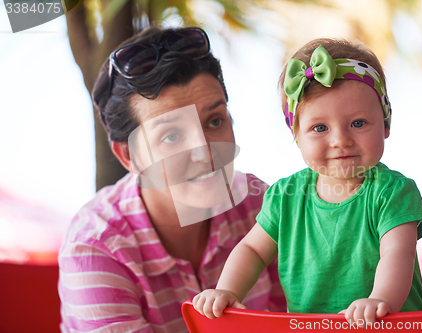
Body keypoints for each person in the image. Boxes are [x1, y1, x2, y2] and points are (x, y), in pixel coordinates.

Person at [58, 26, 286, 333]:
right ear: (130, 158)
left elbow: (302, 315)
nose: (205, 154)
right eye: (172, 135)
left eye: (215, 121)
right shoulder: (96, 246)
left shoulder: (261, 205)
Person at [193, 38, 422, 327]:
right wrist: (227, 290)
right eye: (320, 128)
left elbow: (397, 252)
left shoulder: (392, 191)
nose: (340, 140)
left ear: (385, 123)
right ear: (297, 136)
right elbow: (252, 250)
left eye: (358, 123)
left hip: (387, 325)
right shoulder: (286, 196)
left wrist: (380, 298)